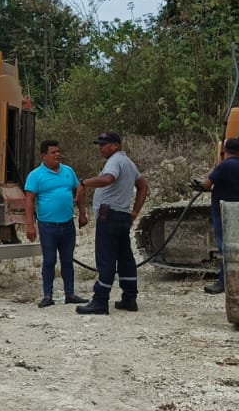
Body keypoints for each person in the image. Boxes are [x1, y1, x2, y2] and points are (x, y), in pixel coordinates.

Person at [75, 132, 148, 314]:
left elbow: (108, 179)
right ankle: (129, 298)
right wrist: (134, 212)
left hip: (109, 215)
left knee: (106, 258)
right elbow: (143, 186)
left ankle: (100, 301)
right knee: (125, 258)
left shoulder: (115, 161)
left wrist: (84, 182)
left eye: (104, 144)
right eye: (99, 144)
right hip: (122, 215)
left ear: (115, 145)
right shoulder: (128, 163)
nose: (100, 148)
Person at [23, 139, 88, 308]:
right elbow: (29, 201)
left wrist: (82, 213)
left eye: (59, 151)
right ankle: (47, 295)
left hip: (67, 225)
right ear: (44, 155)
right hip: (48, 226)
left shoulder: (68, 171)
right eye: (53, 152)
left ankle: (70, 294)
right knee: (49, 261)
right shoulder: (35, 175)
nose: (58, 155)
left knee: (67, 260)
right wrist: (30, 225)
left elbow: (79, 191)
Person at [193, 136, 239, 294]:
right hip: (233, 207)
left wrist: (214, 169)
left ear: (224, 150)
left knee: (223, 246)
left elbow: (206, 184)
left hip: (220, 209)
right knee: (230, 244)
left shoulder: (224, 166)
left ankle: (223, 282)